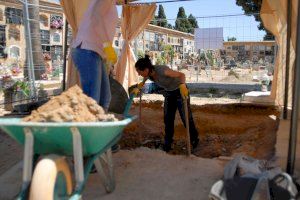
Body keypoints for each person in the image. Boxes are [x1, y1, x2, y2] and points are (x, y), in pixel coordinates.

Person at [132, 55, 199, 152]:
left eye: (139, 72)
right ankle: (168, 144)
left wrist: (183, 85)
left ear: (146, 69)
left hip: (180, 91)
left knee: (186, 118)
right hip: (169, 93)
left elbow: (181, 75)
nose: (139, 74)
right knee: (168, 120)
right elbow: (144, 80)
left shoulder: (162, 70)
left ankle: (194, 140)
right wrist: (139, 86)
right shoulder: (148, 74)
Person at [71, 0, 118, 111]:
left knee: (105, 99)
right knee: (93, 101)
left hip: (95, 52)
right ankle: (86, 127)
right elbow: (96, 17)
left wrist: (106, 57)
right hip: (87, 50)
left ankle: (97, 127)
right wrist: (107, 46)